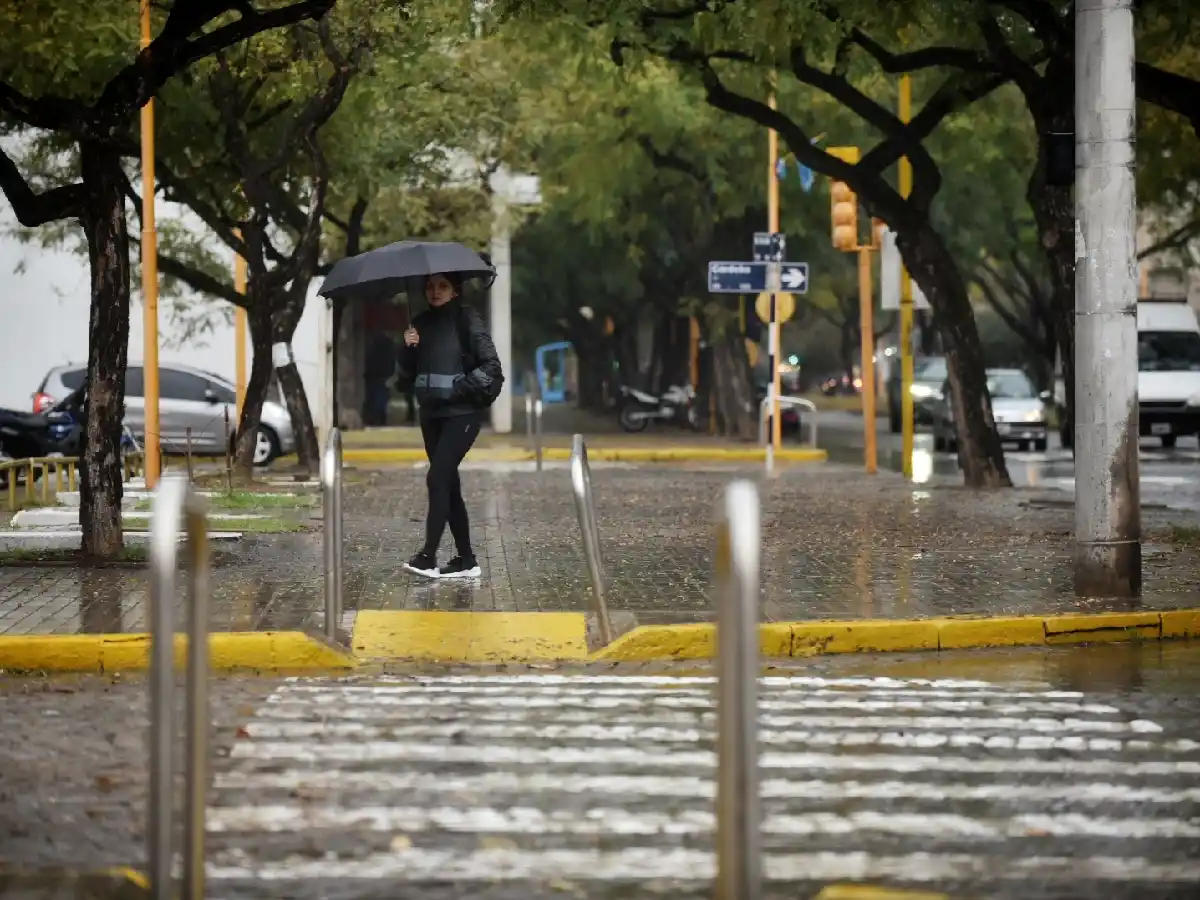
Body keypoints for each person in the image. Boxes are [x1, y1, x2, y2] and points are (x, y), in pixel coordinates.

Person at [398, 272, 503, 578]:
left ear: (455, 291)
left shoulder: (467, 320)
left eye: (442, 285)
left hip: (462, 415)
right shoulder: (418, 324)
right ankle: (467, 561)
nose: (435, 291)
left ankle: (428, 556)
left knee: (437, 478)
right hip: (430, 416)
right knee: (448, 485)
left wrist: (457, 389)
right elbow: (404, 380)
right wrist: (408, 349)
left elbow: (491, 368)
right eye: (430, 286)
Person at [363, 331, 396, 426]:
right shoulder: (389, 346)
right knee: (382, 398)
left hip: (375, 375)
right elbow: (392, 361)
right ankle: (381, 418)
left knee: (376, 397)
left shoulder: (374, 345)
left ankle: (376, 418)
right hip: (384, 375)